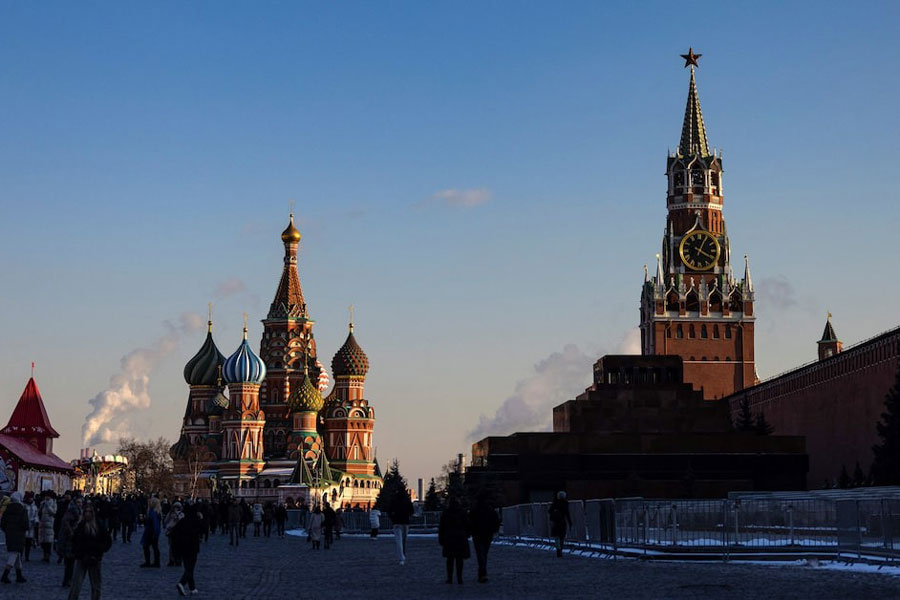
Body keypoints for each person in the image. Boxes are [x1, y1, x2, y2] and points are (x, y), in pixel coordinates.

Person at [67, 501, 112, 600]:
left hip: (94, 558)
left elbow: (107, 541)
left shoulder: (98, 526)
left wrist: (99, 551)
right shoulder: (80, 526)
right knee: (76, 585)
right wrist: (77, 552)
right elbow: (74, 541)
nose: (87, 514)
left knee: (96, 586)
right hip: (81, 558)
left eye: (90, 511)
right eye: (86, 511)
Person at [468, 492, 501, 583]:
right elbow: (496, 520)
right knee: (484, 553)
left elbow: (469, 521)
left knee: (480, 554)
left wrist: (470, 531)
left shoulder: (474, 510)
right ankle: (482, 572)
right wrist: (494, 530)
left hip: (477, 534)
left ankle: (482, 573)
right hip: (487, 534)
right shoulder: (490, 510)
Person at [172, 503, 203, 596]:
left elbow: (174, 533)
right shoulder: (195, 521)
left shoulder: (182, 521)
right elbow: (202, 529)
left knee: (187, 568)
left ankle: (192, 588)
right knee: (190, 568)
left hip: (183, 548)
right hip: (192, 547)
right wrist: (201, 519)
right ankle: (182, 583)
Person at [438, 497, 470, 584]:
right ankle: (459, 578)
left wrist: (441, 538)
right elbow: (467, 525)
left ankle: (450, 578)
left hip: (449, 538)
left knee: (450, 559)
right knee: (459, 559)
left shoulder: (446, 513)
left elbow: (442, 527)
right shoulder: (462, 512)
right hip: (460, 538)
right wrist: (467, 534)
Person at [0, 491, 28, 584]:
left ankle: (19, 575)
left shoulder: (7, 509)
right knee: (14, 554)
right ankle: (5, 575)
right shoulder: (22, 509)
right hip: (19, 534)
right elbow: (25, 523)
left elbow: (3, 523)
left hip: (9, 534)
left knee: (17, 555)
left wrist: (7, 530)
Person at [58, 501, 82, 587]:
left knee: (70, 562)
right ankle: (67, 580)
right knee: (70, 562)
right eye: (78, 502)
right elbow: (66, 525)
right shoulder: (73, 511)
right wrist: (73, 531)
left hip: (71, 540)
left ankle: (67, 579)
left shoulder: (77, 511)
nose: (80, 503)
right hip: (70, 540)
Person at [389, 489, 414, 565]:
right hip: (405, 522)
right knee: (403, 539)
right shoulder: (407, 501)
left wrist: (393, 519)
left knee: (399, 541)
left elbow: (389, 511)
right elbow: (412, 511)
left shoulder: (394, 501)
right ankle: (403, 554)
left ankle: (401, 558)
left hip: (396, 523)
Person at [548, 491, 572, 558]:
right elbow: (567, 514)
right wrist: (570, 522)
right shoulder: (565, 503)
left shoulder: (554, 503)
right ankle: (561, 548)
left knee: (556, 537)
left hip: (555, 522)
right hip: (562, 522)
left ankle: (558, 549)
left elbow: (549, 511)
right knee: (562, 537)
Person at [140, 497, 162, 568]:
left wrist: (155, 533)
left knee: (147, 546)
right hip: (152, 531)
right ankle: (156, 562)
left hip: (151, 532)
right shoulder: (156, 512)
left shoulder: (153, 512)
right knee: (154, 547)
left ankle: (149, 562)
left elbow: (155, 524)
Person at [38, 492, 57, 562]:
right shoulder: (42, 503)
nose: (47, 497)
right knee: (43, 542)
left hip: (49, 524)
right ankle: (44, 555)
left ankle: (47, 556)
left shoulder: (53, 503)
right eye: (46, 496)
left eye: (48, 496)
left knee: (48, 542)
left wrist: (48, 506)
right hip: (42, 524)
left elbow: (53, 512)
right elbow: (39, 512)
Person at [164, 501, 184, 567]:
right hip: (171, 532)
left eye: (177, 507)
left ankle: (178, 560)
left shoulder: (181, 514)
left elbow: (182, 521)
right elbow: (165, 521)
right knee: (171, 547)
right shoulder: (170, 514)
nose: (176, 508)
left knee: (178, 547)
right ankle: (172, 560)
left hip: (179, 532)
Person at [23, 492, 38, 562]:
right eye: (29, 498)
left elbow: (36, 515)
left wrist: (36, 521)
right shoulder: (24, 506)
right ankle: (20, 555)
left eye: (31, 498)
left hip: (31, 526)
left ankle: (27, 556)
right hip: (24, 526)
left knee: (28, 543)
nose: (30, 499)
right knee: (23, 542)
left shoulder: (34, 506)